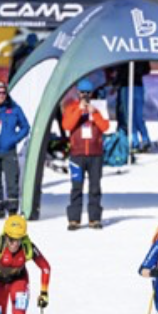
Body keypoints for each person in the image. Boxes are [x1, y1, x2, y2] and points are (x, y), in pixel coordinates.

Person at [61, 79, 109, 230]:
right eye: (83, 93)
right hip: (77, 154)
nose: (85, 96)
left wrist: (94, 114)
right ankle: (74, 219)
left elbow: (105, 126)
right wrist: (79, 111)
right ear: (78, 93)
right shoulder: (71, 107)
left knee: (95, 187)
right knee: (76, 186)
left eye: (88, 93)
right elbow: (67, 125)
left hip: (95, 155)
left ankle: (94, 218)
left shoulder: (97, 109)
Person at [0, 81, 30, 219]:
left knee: (12, 180)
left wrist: (14, 139)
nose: (1, 95)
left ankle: (13, 210)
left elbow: (25, 127)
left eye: (4, 93)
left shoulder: (14, 108)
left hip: (8, 151)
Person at [117, 61, 152, 151]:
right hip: (132, 85)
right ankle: (140, 140)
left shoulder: (127, 55)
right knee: (134, 115)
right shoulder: (138, 55)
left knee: (133, 115)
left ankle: (139, 141)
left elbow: (147, 69)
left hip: (131, 85)